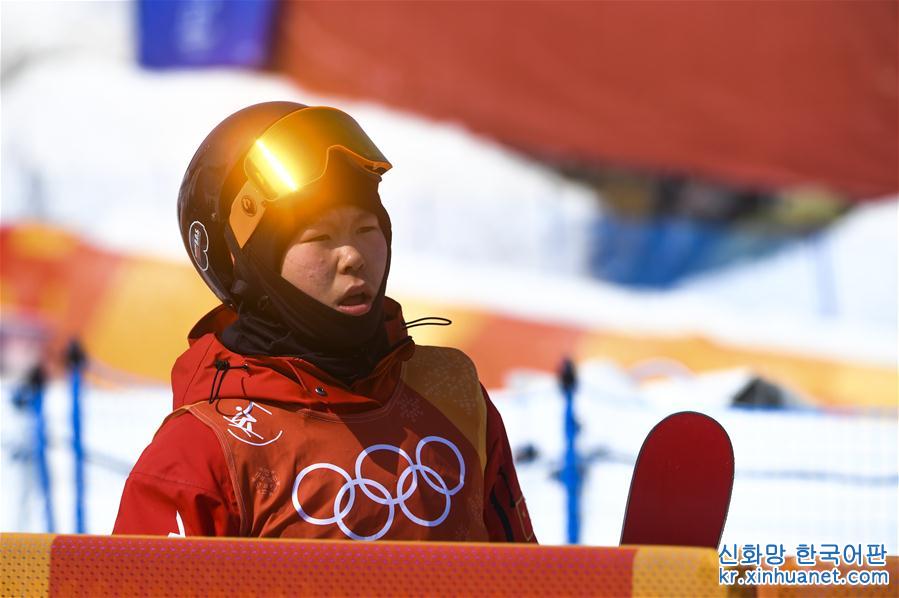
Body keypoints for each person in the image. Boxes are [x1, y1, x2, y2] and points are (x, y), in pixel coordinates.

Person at [113, 102, 536, 542]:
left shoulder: (454, 396)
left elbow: (524, 581)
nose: (353, 256)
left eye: (366, 229)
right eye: (319, 237)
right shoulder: (201, 451)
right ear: (250, 263)